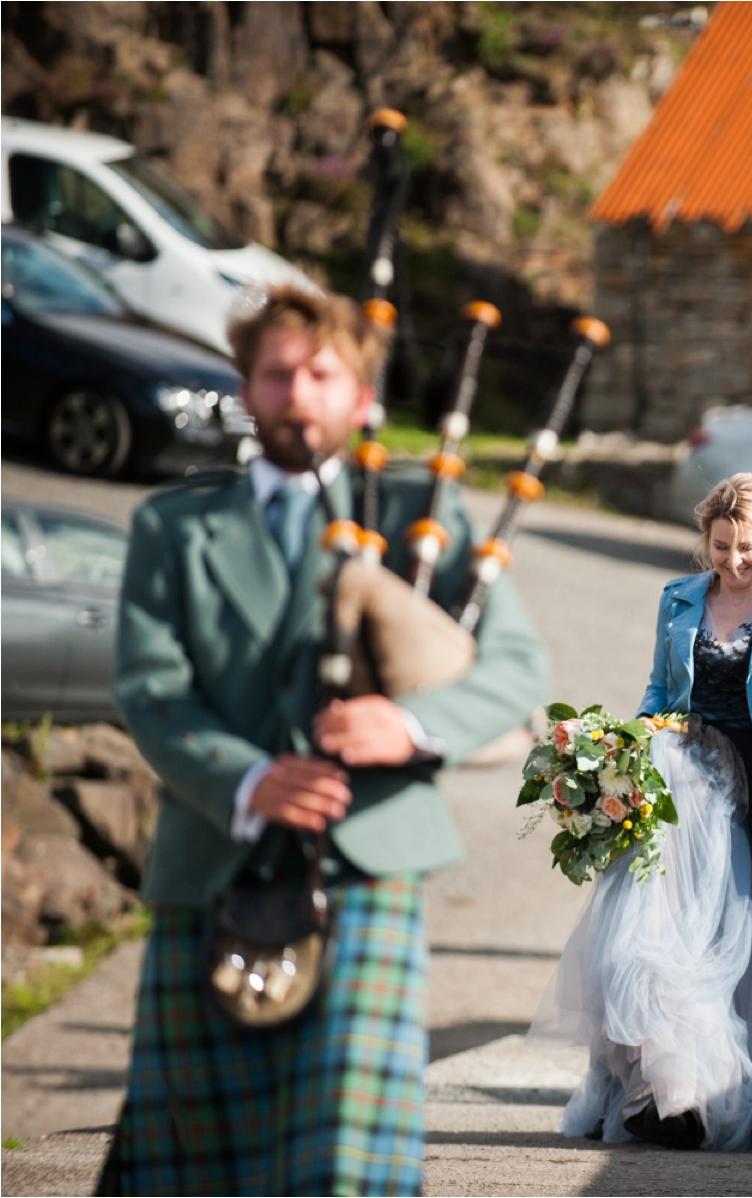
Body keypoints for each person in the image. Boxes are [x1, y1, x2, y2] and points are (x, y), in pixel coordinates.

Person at [101, 285, 548, 1194]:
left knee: (347, 1166)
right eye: (276, 375)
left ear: (357, 395)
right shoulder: (174, 528)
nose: (297, 395)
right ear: (247, 387)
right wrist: (251, 776)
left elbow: (513, 668)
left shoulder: (418, 514)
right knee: (189, 1169)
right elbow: (152, 692)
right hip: (209, 866)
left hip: (365, 866)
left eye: (320, 375)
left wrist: (410, 724)